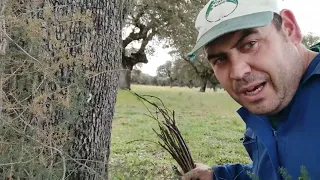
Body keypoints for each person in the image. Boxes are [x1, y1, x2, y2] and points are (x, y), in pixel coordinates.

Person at [183, 0, 320, 179]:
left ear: (289, 28)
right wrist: (218, 176)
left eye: (250, 44)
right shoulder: (268, 93)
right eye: (221, 59)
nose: (238, 72)